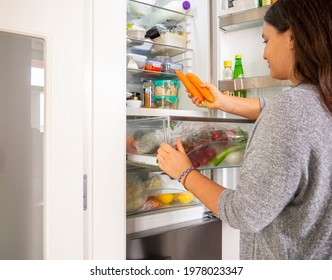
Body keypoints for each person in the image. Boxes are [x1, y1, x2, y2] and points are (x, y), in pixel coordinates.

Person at [156, 0, 332, 260]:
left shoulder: (289, 111)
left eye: (266, 40)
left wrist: (184, 173)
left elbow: (246, 213)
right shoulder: (321, 101)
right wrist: (223, 101)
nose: (264, 54)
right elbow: (280, 111)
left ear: (292, 37)